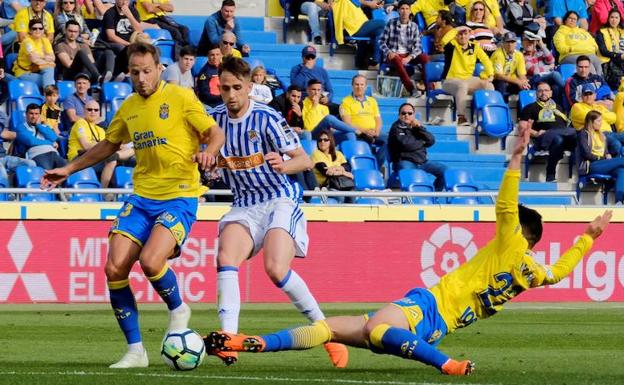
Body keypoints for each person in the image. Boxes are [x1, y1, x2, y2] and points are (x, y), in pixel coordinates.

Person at [204, 123, 612, 376]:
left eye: (512, 224)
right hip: (435, 326)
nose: (504, 225)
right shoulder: (532, 271)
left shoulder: (510, 243)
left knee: (378, 329)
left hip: (428, 306)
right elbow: (559, 271)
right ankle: (250, 342)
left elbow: (505, 205)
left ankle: (446, 364)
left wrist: (517, 157)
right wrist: (588, 237)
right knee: (332, 328)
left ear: (522, 233)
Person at [40, 42, 224, 368]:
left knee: (152, 262)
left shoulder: (180, 97)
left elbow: (214, 132)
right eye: (135, 72)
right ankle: (136, 351)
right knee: (114, 268)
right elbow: (109, 145)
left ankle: (179, 310)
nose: (140, 78)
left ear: (159, 69)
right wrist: (67, 169)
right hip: (141, 198)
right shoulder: (128, 107)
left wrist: (210, 150)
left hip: (179, 196)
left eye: (146, 71)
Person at [208, 55, 348, 368]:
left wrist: (284, 165)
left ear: (248, 87)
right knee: (225, 258)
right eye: (225, 88)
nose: (230, 94)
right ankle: (229, 339)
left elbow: (305, 160)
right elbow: (203, 153)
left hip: (279, 198)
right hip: (244, 204)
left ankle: (328, 333)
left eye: (236, 88)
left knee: (275, 269)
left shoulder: (267, 118)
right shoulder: (213, 120)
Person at [519, 82, 576, 182]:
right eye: (540, 91)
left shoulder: (558, 107)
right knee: (558, 139)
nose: (543, 93)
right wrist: (536, 133)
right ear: (536, 93)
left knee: (578, 137)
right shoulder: (530, 108)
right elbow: (522, 127)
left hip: (563, 135)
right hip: (543, 138)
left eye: (546, 90)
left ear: (551, 93)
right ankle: (550, 174)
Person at [67, 99, 131, 188]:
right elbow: (86, 146)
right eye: (89, 109)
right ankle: (103, 191)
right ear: (84, 111)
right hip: (79, 158)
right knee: (112, 160)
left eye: (96, 110)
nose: (93, 112)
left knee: (133, 150)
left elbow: (107, 145)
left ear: (99, 112)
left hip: (95, 157)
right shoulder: (80, 123)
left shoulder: (100, 129)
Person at [441, 25, 494, 126]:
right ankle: (461, 117)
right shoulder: (451, 45)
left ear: (470, 35)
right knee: (462, 85)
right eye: (460, 34)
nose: (463, 36)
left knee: (488, 85)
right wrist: (457, 29)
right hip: (449, 80)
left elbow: (486, 60)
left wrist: (490, 74)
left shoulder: (475, 46)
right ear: (456, 36)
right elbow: (444, 40)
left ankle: (488, 115)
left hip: (468, 79)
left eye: (465, 34)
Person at [387, 102, 447, 191]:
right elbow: (406, 145)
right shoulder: (396, 128)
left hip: (422, 161)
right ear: (399, 115)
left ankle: (434, 195)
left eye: (409, 113)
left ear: (414, 115)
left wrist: (420, 128)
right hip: (405, 161)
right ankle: (412, 200)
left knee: (446, 171)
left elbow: (431, 140)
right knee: (410, 176)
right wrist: (422, 142)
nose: (406, 115)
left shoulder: (417, 127)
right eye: (403, 113)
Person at [379, 0, 428, 96]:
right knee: (397, 59)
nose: (404, 11)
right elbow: (381, 42)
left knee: (425, 57)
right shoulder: (391, 23)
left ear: (410, 11)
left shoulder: (414, 26)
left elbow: (418, 46)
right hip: (394, 55)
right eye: (402, 9)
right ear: (398, 11)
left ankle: (427, 86)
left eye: (407, 9)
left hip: (407, 55)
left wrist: (409, 57)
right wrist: (389, 52)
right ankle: (411, 89)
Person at [577, 110, 624, 203]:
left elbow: (605, 151)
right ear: (591, 122)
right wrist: (602, 158)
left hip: (603, 164)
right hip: (592, 165)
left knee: (621, 171)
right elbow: (586, 154)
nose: (601, 123)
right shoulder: (583, 134)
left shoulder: (601, 135)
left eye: (601, 120)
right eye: (598, 121)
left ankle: (619, 202)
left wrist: (607, 154)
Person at [340, 74, 386, 167]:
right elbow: (347, 123)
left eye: (362, 84)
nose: (359, 87)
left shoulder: (372, 101)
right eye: (356, 84)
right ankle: (370, 167)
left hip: (374, 132)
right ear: (352, 86)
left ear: (365, 86)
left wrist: (376, 132)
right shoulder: (345, 102)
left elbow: (378, 119)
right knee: (366, 150)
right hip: (359, 134)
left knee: (391, 140)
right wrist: (365, 131)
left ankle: (376, 165)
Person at [569, 83, 622, 157]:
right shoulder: (577, 107)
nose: (588, 97)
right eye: (585, 94)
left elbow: (613, 118)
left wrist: (598, 114)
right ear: (582, 96)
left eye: (590, 94)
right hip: (594, 136)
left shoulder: (599, 106)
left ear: (595, 95)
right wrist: (602, 115)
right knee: (616, 144)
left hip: (609, 133)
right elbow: (590, 117)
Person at [330, 0, 386, 69]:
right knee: (382, 23)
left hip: (361, 25)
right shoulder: (341, 2)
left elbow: (359, 2)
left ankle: (373, 62)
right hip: (353, 28)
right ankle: (374, 60)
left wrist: (374, 3)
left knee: (379, 31)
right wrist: (370, 3)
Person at [14, 103, 67, 170]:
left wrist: (39, 125)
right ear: (26, 114)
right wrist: (50, 143)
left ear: (39, 115)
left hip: (53, 153)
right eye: (31, 113)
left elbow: (54, 138)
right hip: (37, 154)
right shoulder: (21, 127)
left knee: (66, 170)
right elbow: (31, 141)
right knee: (48, 173)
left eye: (36, 114)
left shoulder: (44, 126)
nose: (34, 116)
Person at [13, 19, 56, 89]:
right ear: (30, 31)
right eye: (34, 28)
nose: (38, 30)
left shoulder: (45, 40)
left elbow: (53, 58)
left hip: (38, 70)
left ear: (43, 30)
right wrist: (46, 59)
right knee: (50, 80)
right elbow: (34, 59)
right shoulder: (27, 42)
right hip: (24, 73)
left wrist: (40, 58)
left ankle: (48, 94)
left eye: (40, 28)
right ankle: (49, 95)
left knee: (49, 73)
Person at [521, 31, 563, 103]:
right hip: (534, 81)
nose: (529, 43)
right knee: (554, 74)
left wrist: (541, 44)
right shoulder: (521, 56)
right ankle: (568, 89)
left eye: (531, 41)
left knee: (556, 88)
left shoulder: (540, 53)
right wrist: (549, 67)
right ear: (522, 43)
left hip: (546, 80)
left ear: (535, 43)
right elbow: (534, 71)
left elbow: (551, 60)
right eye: (526, 41)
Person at [491, 32, 531, 99]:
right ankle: (501, 104)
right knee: (501, 83)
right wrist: (517, 81)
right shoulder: (498, 54)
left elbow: (521, 74)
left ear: (516, 43)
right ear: (503, 43)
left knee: (527, 84)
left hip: (510, 81)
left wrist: (524, 82)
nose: (510, 44)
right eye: (507, 42)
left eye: (512, 42)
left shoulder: (519, 55)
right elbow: (499, 75)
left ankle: (524, 107)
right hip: (496, 81)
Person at [0, 111, 37, 183]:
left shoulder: (1, 115)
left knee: (31, 164)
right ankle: (5, 193)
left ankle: (23, 190)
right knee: (2, 172)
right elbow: (5, 134)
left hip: (4, 157)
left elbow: (4, 132)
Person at [595, 10, 624, 90]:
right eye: (612, 17)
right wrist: (619, 56)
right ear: (608, 18)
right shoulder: (601, 32)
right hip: (608, 62)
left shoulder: (622, 32)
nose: (614, 20)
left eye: (616, 17)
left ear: (619, 19)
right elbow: (603, 51)